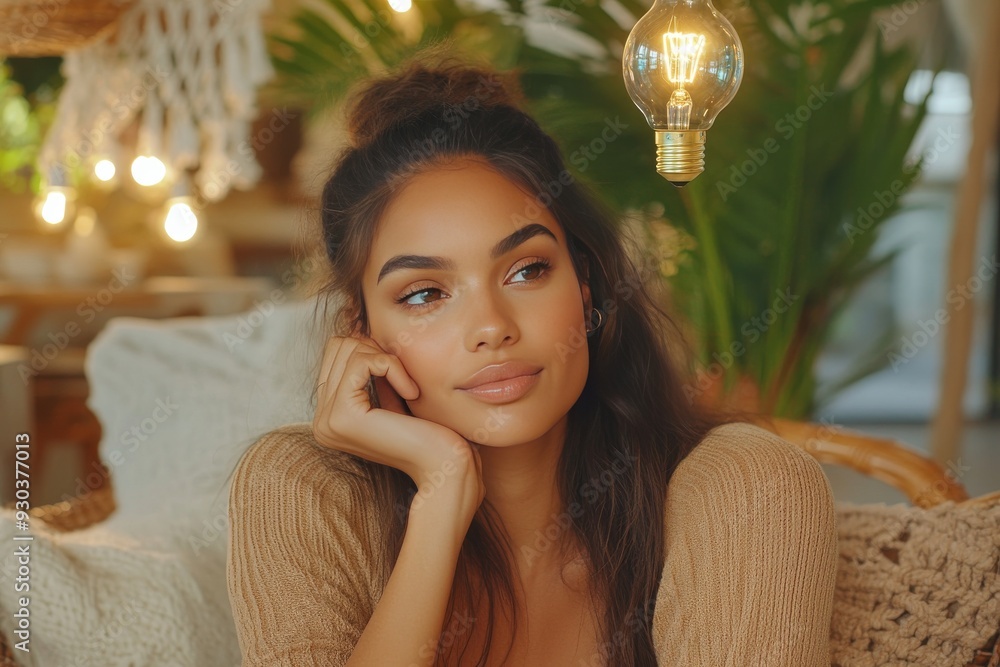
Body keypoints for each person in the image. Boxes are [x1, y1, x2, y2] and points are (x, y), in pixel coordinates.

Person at [225, 43, 839, 667]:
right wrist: (442, 493)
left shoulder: (743, 487)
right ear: (363, 335)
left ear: (586, 286)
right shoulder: (302, 491)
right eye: (424, 293)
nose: (491, 327)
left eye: (526, 270)